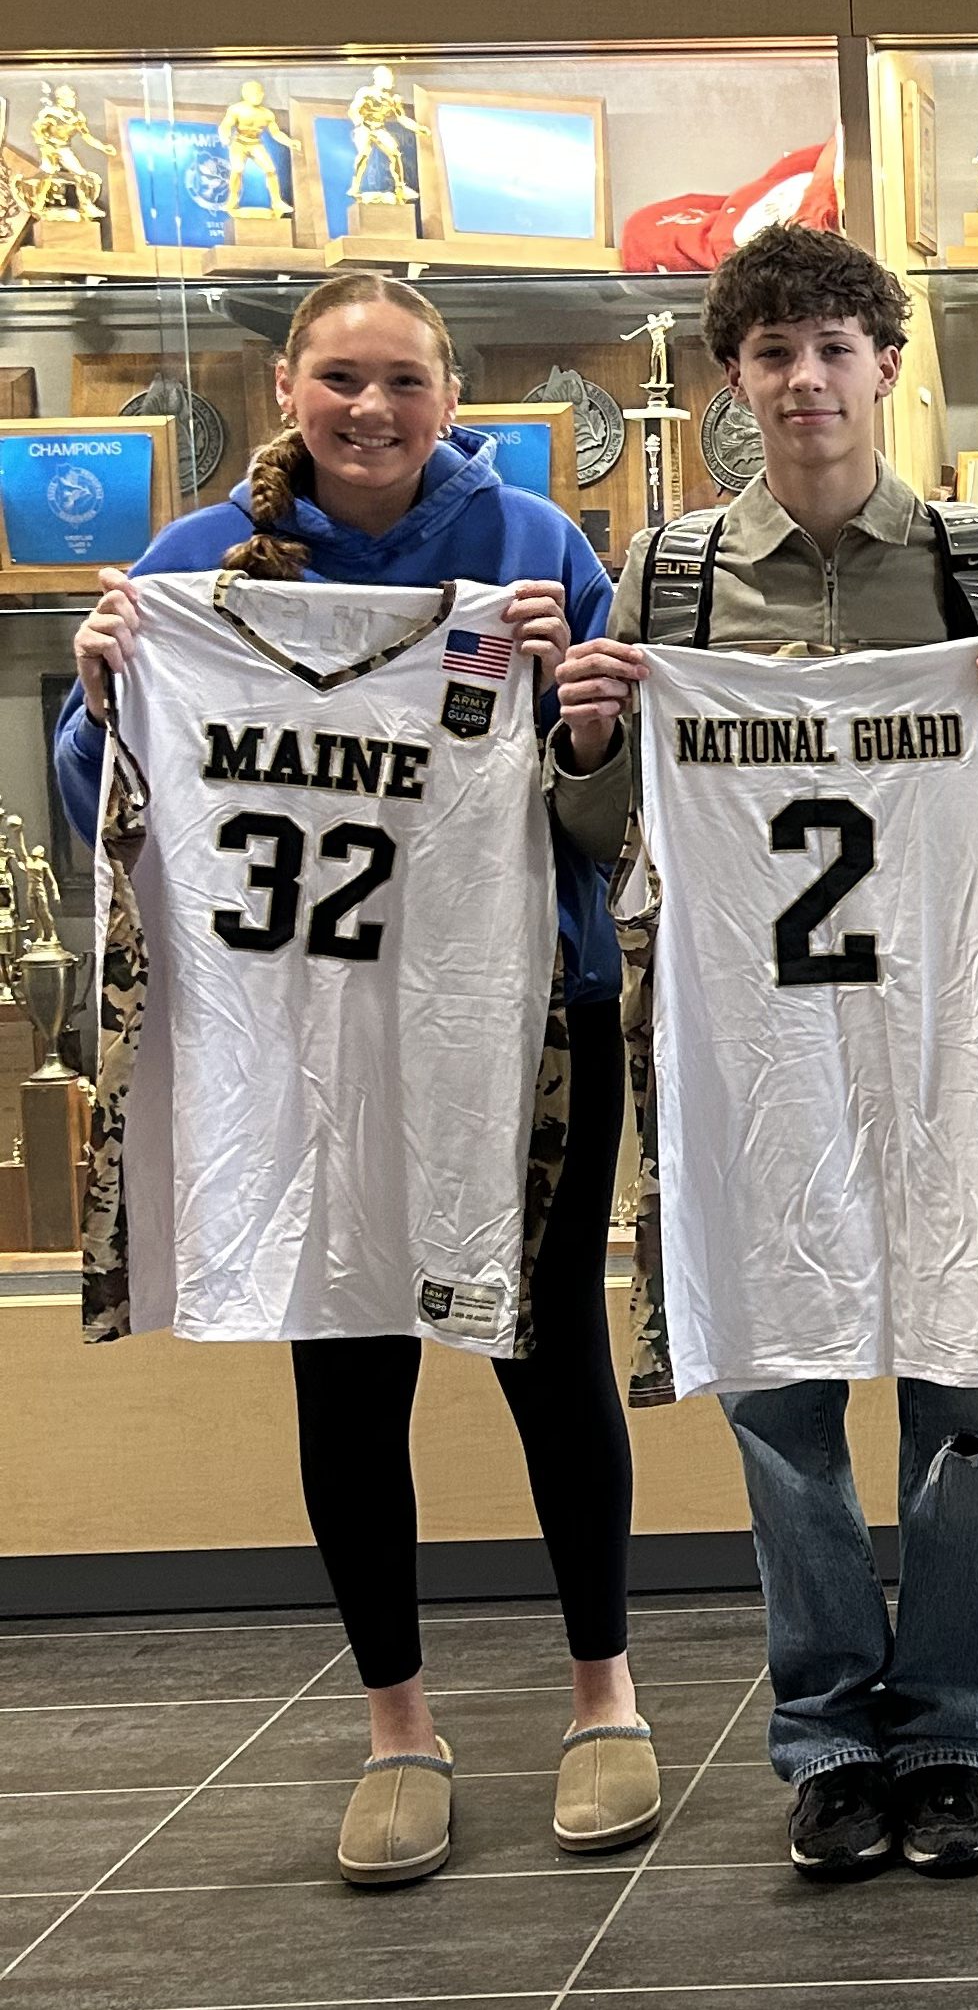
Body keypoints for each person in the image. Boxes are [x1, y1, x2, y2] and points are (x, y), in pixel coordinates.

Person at [56, 271, 641, 1887]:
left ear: (450, 396)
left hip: (526, 1014)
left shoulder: (537, 547)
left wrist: (580, 705)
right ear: (286, 388)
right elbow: (106, 804)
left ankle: (606, 1692)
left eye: (402, 380)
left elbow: (615, 808)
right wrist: (104, 689)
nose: (371, 410)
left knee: (548, 1350)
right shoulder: (192, 565)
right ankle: (398, 1725)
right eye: (340, 378)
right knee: (346, 1359)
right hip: (300, 1026)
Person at [551, 224, 978, 1881]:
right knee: (781, 1401)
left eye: (835, 347)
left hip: (940, 1045)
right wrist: (587, 740)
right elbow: (599, 833)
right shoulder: (673, 577)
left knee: (968, 1395)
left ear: (887, 366)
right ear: (735, 378)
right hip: (755, 1049)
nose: (805, 380)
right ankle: (833, 1731)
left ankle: (957, 1728)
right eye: (772, 352)